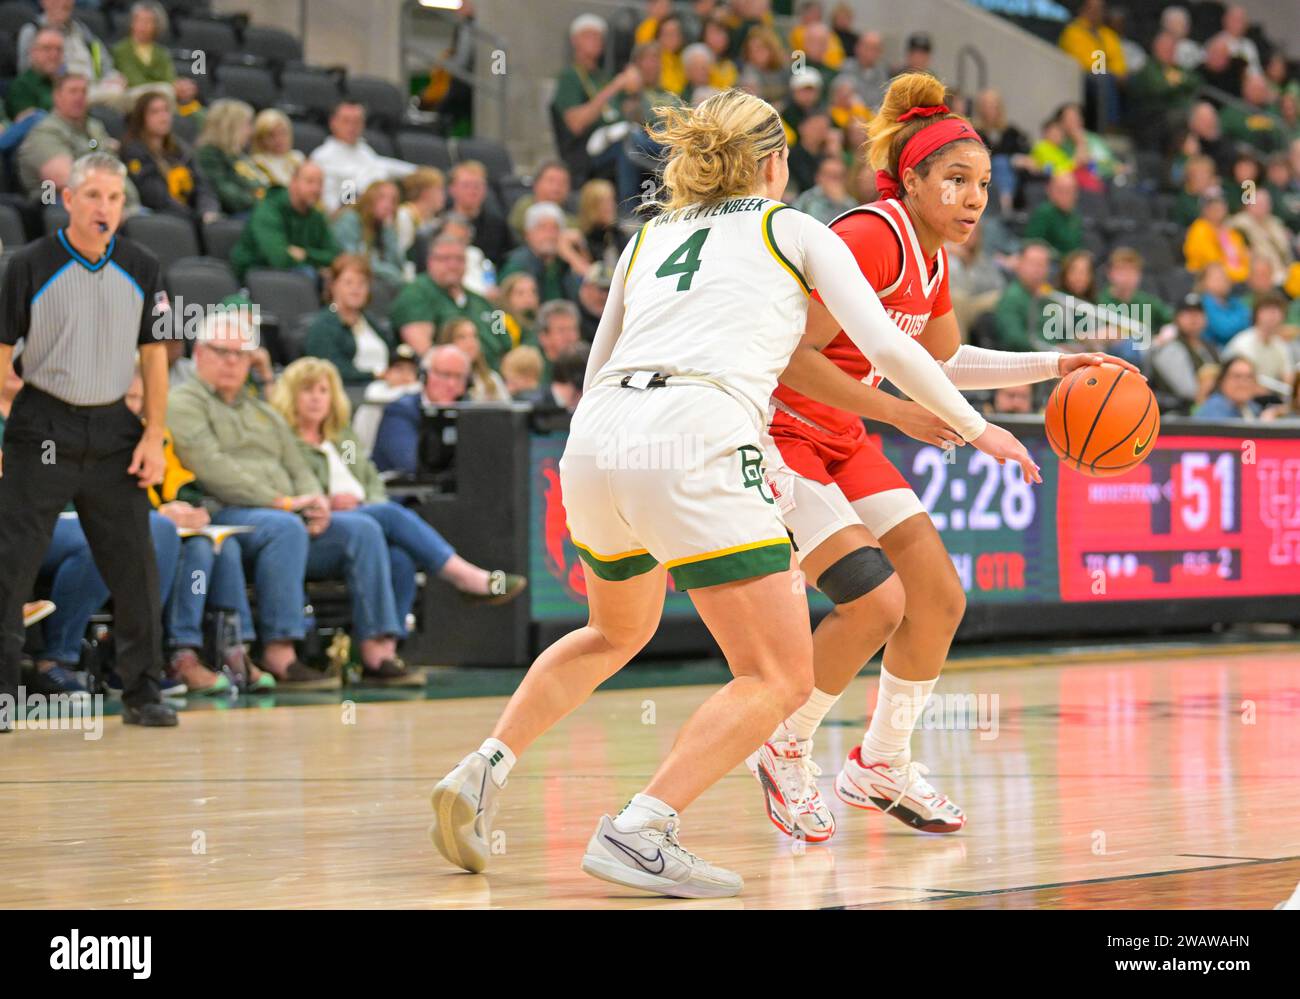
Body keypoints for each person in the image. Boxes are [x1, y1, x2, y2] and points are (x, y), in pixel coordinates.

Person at [428, 87, 1038, 897]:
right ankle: (642, 826)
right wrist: (976, 426)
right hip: (697, 431)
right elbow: (888, 344)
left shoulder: (647, 236)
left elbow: (597, 357)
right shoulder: (793, 228)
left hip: (598, 435)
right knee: (779, 673)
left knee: (613, 632)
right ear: (775, 163)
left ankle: (482, 767)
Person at [756, 74, 1136, 843]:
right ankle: (785, 742)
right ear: (913, 180)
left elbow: (947, 359)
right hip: (781, 432)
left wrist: (1055, 363)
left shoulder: (932, 258)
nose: (973, 199)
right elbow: (794, 360)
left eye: (985, 185)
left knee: (937, 594)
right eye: (956, 181)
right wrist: (912, 413)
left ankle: (882, 761)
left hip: (843, 435)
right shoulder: (869, 234)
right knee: (876, 604)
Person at [0, 153, 177, 731]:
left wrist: (154, 434)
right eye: (94, 196)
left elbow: (154, 357)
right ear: (69, 199)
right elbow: (1, 355)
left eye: (115, 198)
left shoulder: (144, 266)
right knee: (12, 563)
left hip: (112, 431)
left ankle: (144, 692)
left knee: (136, 566)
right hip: (41, 424)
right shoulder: (29, 264)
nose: (105, 208)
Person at [169, 311, 410, 689]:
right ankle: (280, 652)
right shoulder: (183, 403)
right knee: (284, 528)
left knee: (362, 528)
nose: (232, 361)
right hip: (226, 514)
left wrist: (315, 501)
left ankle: (376, 650)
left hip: (288, 517)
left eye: (241, 353)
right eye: (221, 352)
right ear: (199, 354)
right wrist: (283, 502)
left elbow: (297, 465)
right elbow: (214, 469)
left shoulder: (262, 410)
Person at [271, 358, 526, 679]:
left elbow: (375, 485)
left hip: (364, 527)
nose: (316, 398)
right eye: (307, 390)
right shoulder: (283, 442)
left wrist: (363, 504)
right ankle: (466, 577)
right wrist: (334, 506)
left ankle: (381, 652)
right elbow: (292, 492)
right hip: (317, 532)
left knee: (400, 555)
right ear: (290, 396)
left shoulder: (342, 438)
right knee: (387, 515)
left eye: (323, 390)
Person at [389, 236, 497, 364]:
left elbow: (503, 334)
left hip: (498, 376)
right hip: (456, 375)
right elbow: (424, 352)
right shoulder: (416, 294)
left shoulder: (480, 300)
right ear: (430, 261)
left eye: (459, 259)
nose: (453, 265)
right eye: (445, 259)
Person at [229, 161, 339, 282]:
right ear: (293, 182)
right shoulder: (268, 209)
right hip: (252, 275)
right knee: (308, 275)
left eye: (320, 183)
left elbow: (335, 255)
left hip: (289, 276)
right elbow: (280, 259)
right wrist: (318, 263)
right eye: (310, 181)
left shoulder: (316, 215)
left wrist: (305, 254)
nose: (316, 188)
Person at [371, 344, 471, 476]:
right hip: (406, 494)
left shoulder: (470, 412)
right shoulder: (400, 411)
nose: (451, 384)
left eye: (459, 377)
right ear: (424, 375)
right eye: (445, 375)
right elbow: (411, 465)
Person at [121, 91, 220, 223]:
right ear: (141, 117)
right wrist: (194, 218)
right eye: (155, 112)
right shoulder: (134, 151)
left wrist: (207, 210)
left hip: (192, 216)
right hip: (163, 219)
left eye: (166, 111)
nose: (163, 117)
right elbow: (154, 197)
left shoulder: (180, 148)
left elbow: (202, 184)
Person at [310, 101, 416, 213]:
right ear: (333, 122)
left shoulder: (364, 150)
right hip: (347, 214)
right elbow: (331, 205)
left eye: (357, 121)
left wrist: (419, 171)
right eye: (346, 121)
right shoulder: (322, 157)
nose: (352, 126)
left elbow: (385, 165)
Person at [303, 255, 395, 385]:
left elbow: (392, 353)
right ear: (333, 285)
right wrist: (376, 375)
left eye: (362, 282)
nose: (356, 288)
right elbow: (330, 370)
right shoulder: (323, 325)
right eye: (349, 282)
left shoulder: (369, 320)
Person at [498, 202, 588, 304]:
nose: (549, 234)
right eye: (542, 228)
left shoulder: (564, 263)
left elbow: (590, 290)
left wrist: (572, 254)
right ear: (528, 234)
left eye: (555, 228)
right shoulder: (516, 264)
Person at [195, 99, 267, 216]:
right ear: (231, 126)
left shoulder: (238, 154)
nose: (251, 131)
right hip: (237, 214)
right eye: (247, 124)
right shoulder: (209, 153)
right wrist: (260, 202)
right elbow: (223, 192)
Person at [331, 179, 405, 293]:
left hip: (374, 279)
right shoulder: (350, 219)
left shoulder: (383, 227)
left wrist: (389, 230)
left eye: (393, 201)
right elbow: (353, 259)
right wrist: (391, 273)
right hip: (347, 278)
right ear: (369, 198)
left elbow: (398, 264)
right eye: (382, 198)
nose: (388, 205)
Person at [1150, 293, 1220, 413]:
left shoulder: (1210, 347)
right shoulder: (1170, 347)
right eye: (1187, 313)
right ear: (1177, 318)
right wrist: (1209, 384)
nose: (1193, 318)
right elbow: (1188, 392)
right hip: (1177, 413)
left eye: (1198, 313)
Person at [444, 160, 513, 267]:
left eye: (477, 185)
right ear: (452, 189)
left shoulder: (497, 224)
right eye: (466, 185)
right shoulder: (440, 222)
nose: (472, 190)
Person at [1223, 292, 1295, 390]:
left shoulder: (1280, 345)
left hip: (1271, 395)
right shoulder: (1242, 343)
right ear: (1256, 314)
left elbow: (1288, 379)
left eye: (1277, 310)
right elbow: (1239, 381)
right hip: (1244, 393)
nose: (1273, 315)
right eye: (1268, 310)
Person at [994, 240, 1053, 350]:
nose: (1038, 269)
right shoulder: (1011, 297)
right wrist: (1053, 348)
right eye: (1033, 263)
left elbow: (1063, 331)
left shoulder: (1050, 297)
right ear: (1019, 264)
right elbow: (1014, 340)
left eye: (1042, 264)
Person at [1184, 188, 1250, 283]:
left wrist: (1246, 274)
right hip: (1207, 280)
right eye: (1212, 205)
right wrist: (1241, 275)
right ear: (1204, 209)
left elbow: (1244, 258)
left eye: (1221, 204)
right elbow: (1212, 262)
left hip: (1236, 280)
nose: (1218, 208)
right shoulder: (1199, 229)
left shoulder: (1231, 232)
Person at [110, 1, 175, 94]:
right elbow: (133, 80)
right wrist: (159, 86)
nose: (143, 26)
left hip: (162, 97)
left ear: (157, 26)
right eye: (140, 20)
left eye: (148, 21)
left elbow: (170, 80)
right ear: (132, 23)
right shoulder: (121, 49)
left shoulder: (162, 53)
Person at [437, 317, 508, 401]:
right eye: (462, 337)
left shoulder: (491, 379)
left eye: (474, 336)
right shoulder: (437, 379)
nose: (471, 342)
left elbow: (507, 411)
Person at [1024, 169, 1082, 256]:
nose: (1065, 195)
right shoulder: (1044, 213)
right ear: (1049, 190)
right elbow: (1033, 244)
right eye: (1061, 190)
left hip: (1071, 264)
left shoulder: (1075, 216)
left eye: (1070, 191)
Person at [7, 27, 62, 119]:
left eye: (59, 50)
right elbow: (28, 126)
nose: (54, 55)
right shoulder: (23, 86)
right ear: (33, 52)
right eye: (47, 49)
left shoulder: (67, 84)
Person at [395, 167, 446, 263]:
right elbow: (400, 252)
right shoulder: (404, 215)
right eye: (439, 190)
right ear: (426, 192)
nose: (443, 195)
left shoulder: (433, 220)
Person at [249, 108, 305, 189]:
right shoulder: (257, 163)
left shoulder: (298, 158)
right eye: (271, 135)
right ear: (260, 139)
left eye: (283, 133)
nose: (279, 140)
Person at [793, 154, 855, 224]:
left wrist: (839, 203)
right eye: (829, 175)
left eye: (837, 176)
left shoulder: (849, 203)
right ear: (817, 177)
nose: (833, 181)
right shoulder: (807, 200)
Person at [1195, 356, 1264, 419]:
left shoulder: (1252, 407)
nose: (1243, 383)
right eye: (1237, 376)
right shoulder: (1214, 409)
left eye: (1249, 377)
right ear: (1222, 381)